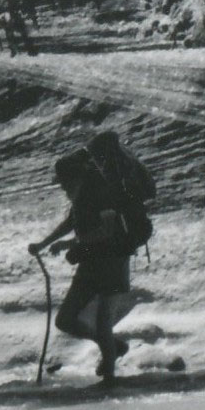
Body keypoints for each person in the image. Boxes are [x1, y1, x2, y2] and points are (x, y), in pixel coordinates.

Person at [35, 145, 143, 382]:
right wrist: (43, 244)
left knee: (103, 321)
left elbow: (108, 230)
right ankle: (114, 347)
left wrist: (74, 244)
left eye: (63, 181)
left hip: (114, 261)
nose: (62, 186)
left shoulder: (102, 194)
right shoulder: (81, 197)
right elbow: (70, 223)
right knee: (65, 320)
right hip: (90, 263)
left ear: (76, 176)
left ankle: (109, 380)